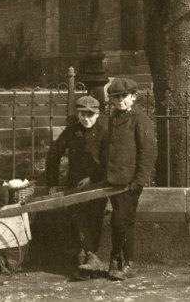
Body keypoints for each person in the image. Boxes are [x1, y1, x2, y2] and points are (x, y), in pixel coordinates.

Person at [44, 95, 109, 277]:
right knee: (77, 219)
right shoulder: (72, 131)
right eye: (82, 114)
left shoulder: (104, 132)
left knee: (94, 219)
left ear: (97, 115)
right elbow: (54, 155)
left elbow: (108, 162)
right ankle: (84, 259)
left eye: (90, 114)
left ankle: (91, 257)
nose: (86, 119)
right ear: (78, 114)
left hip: (98, 184)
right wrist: (52, 183)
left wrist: (92, 178)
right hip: (75, 184)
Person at [104, 77, 156, 281]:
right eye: (115, 97)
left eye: (123, 97)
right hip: (113, 180)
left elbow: (148, 153)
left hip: (130, 183)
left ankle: (122, 261)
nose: (119, 101)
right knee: (122, 220)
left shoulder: (140, 120)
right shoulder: (113, 118)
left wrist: (139, 181)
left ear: (134, 97)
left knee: (121, 221)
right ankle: (122, 261)